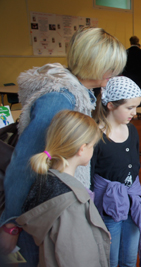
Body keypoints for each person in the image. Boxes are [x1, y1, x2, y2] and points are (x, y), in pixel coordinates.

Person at [0, 27, 126, 265]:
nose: (114, 73)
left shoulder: (80, 94)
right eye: (111, 67)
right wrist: (10, 225)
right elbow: (23, 165)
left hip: (51, 204)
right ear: (93, 62)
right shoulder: (60, 98)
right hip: (37, 213)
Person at [16, 110, 110, 267]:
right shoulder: (72, 202)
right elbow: (78, 258)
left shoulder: (47, 181)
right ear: (82, 149)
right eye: (92, 146)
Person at [91, 76, 141, 267]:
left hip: (132, 202)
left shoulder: (131, 130)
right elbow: (89, 178)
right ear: (111, 105)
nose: (135, 113)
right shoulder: (96, 136)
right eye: (129, 108)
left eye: (136, 107)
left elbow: (134, 166)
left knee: (130, 258)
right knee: (111, 259)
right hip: (109, 207)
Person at [122, 36, 141, 103]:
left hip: (128, 79)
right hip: (139, 79)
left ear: (130, 42)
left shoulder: (126, 53)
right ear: (138, 42)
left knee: (129, 96)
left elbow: (122, 66)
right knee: (139, 95)